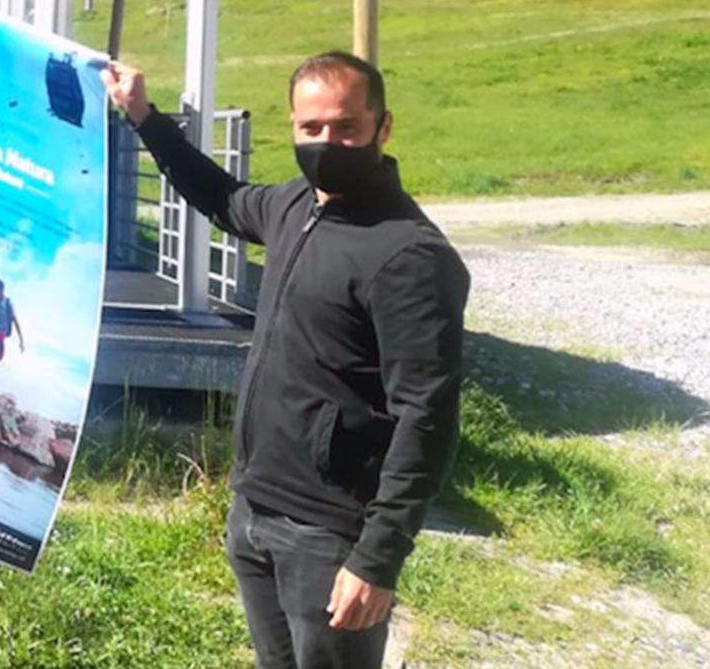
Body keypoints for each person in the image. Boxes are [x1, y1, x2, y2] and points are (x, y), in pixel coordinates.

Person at [101, 51, 469, 669]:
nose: (329, 142)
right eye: (312, 128)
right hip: (254, 506)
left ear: (384, 127)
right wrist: (143, 115)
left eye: (346, 127)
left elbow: (427, 416)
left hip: (328, 534)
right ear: (294, 128)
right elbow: (219, 195)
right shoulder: (294, 207)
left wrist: (377, 557)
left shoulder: (408, 255)